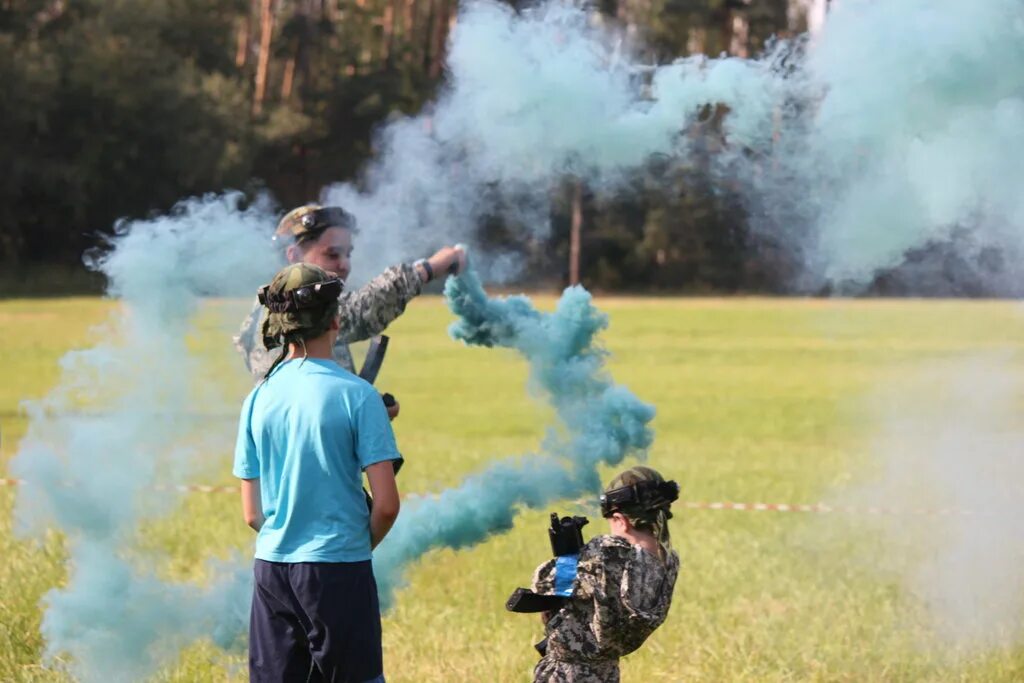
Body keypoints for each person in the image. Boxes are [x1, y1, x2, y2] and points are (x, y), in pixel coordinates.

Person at [233, 262, 402, 683]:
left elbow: (253, 514)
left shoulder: (258, 398)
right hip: (339, 567)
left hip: (272, 569)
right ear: (336, 320)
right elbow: (386, 506)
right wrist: (358, 546)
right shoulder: (359, 396)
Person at [234, 204, 466, 414]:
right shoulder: (287, 307)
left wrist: (364, 412)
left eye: (348, 254)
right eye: (332, 254)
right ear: (294, 256)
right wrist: (429, 268)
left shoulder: (277, 303)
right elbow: (360, 310)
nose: (345, 264)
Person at [530, 466, 681, 683]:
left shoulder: (608, 554)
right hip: (607, 671)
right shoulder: (668, 561)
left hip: (567, 674)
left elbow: (542, 581)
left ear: (621, 519)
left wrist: (567, 556)